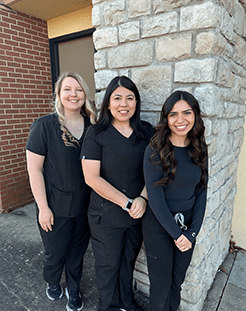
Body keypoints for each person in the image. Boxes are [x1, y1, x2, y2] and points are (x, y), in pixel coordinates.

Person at [81, 76, 153, 311]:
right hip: (106, 217)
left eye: (130, 98)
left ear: (136, 102)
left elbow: (154, 170)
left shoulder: (146, 132)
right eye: (117, 98)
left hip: (137, 214)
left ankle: (126, 301)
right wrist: (128, 203)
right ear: (108, 104)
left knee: (128, 261)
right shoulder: (96, 134)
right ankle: (109, 307)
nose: (124, 104)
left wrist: (142, 199)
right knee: (108, 265)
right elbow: (91, 177)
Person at [26, 71, 96, 311]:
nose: (73, 94)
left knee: (77, 254)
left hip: (85, 205)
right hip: (55, 205)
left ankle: (73, 290)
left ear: (84, 94)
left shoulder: (93, 127)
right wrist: (43, 208)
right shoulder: (44, 126)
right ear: (58, 94)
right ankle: (52, 281)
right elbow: (34, 170)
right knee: (55, 254)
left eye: (78, 89)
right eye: (67, 89)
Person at [142, 91, 208, 311]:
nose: (181, 120)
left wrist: (191, 233)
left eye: (187, 113)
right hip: (159, 227)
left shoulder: (199, 148)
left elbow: (201, 191)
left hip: (187, 230)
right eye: (174, 114)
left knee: (176, 283)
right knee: (160, 287)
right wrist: (178, 235)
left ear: (195, 115)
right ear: (166, 118)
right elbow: (155, 199)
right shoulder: (155, 149)